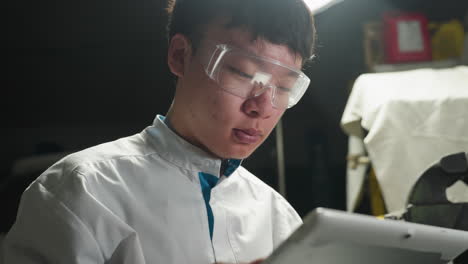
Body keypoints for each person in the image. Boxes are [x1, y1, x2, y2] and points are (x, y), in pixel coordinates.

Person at [1, 0, 316, 263]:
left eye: (285, 87)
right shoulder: (82, 191)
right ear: (180, 55)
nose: (262, 106)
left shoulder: (281, 221)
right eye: (242, 73)